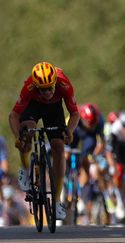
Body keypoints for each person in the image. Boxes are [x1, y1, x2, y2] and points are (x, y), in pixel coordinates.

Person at [9, 62, 79, 220]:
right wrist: (18, 137)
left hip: (54, 109)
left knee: (59, 147)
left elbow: (75, 114)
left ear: (55, 83)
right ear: (36, 86)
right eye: (43, 89)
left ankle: (56, 201)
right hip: (33, 106)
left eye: (50, 88)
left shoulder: (64, 84)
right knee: (28, 131)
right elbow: (13, 116)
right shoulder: (29, 87)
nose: (47, 92)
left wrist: (69, 131)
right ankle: (25, 170)